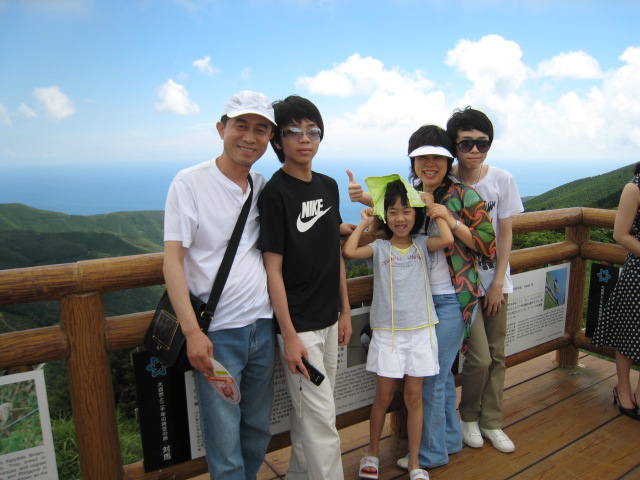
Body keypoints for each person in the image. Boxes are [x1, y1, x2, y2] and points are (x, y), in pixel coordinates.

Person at [347, 124, 495, 470]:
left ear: (448, 161)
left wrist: (449, 219)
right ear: (412, 162)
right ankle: (449, 440)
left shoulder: (465, 196)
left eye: (438, 157)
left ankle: (430, 454)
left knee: (433, 378)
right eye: (421, 157)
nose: (430, 164)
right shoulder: (412, 193)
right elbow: (392, 215)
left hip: (453, 298)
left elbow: (487, 244)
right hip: (423, 304)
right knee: (440, 376)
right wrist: (362, 199)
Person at [163, 90, 277, 480]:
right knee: (224, 437)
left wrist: (341, 228)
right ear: (220, 129)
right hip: (217, 334)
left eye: (260, 129)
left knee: (257, 429)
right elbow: (172, 262)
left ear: (269, 138)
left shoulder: (260, 184)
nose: (250, 137)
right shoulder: (189, 183)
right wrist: (192, 332)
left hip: (263, 325)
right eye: (241, 126)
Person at [258, 95, 352, 480]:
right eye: (293, 131)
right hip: (300, 329)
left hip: (329, 319)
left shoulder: (329, 186)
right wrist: (290, 334)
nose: (304, 139)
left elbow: (334, 252)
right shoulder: (275, 194)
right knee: (322, 419)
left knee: (310, 417)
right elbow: (273, 270)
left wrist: (345, 311)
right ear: (278, 141)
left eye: (313, 131)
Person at [344, 177, 446, 480]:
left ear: (416, 214)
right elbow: (350, 251)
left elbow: (447, 240)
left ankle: (414, 462)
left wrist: (435, 210)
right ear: (385, 215)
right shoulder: (379, 247)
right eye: (392, 212)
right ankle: (372, 454)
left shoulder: (422, 245)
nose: (400, 218)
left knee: (414, 398)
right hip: (388, 334)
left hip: (420, 332)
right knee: (384, 397)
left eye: (406, 211)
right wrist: (365, 223)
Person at [446, 107, 524, 453]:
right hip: (459, 285)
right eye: (466, 143)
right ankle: (468, 416)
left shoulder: (502, 180)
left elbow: (505, 233)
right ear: (454, 145)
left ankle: (491, 421)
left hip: (494, 280)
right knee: (478, 358)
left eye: (483, 143)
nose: (475, 150)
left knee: (496, 354)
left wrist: (498, 283)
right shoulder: (445, 181)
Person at [591, 163, 640, 421]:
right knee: (629, 330)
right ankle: (622, 388)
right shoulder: (634, 187)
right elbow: (620, 234)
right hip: (638, 271)